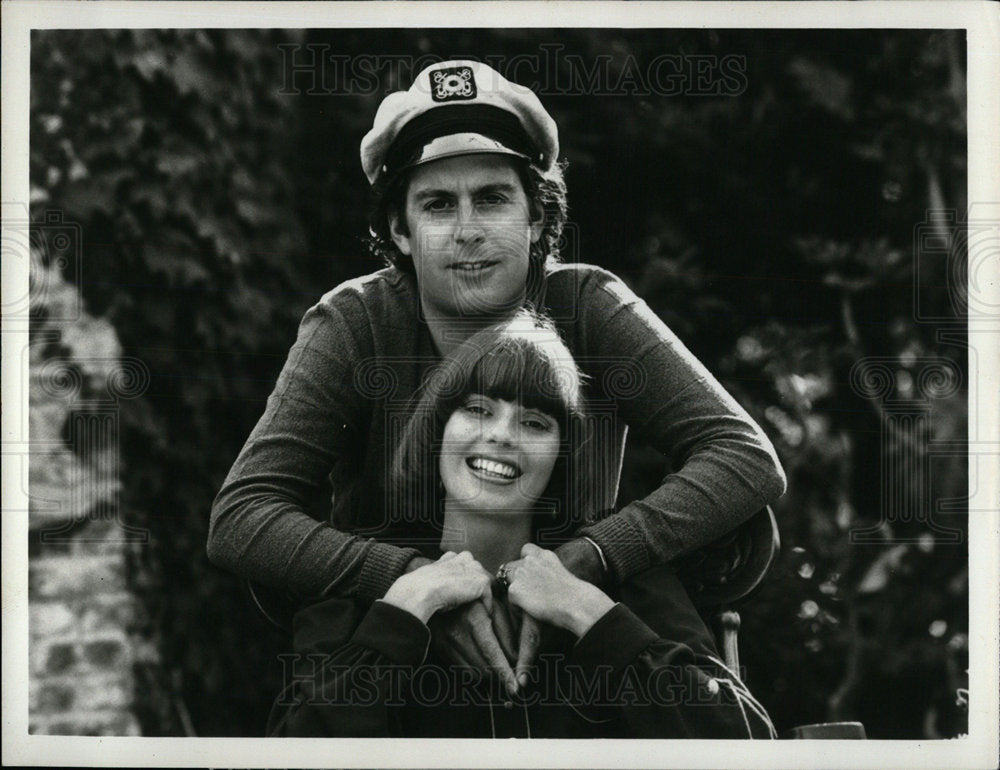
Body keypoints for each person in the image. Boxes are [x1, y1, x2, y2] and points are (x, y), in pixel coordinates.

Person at [208, 58, 786, 692]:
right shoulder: (355, 323)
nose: (468, 231)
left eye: (493, 199)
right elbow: (244, 514)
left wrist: (586, 560)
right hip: (394, 652)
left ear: (536, 219)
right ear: (400, 231)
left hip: (574, 635)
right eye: (436, 204)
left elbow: (743, 456)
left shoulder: (588, 305)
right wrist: (414, 581)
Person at [266, 312, 775, 738]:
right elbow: (289, 759)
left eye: (534, 423)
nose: (502, 436)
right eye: (477, 409)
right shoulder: (359, 594)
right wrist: (404, 610)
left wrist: (589, 611)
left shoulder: (630, 584)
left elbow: (745, 744)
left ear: (563, 455)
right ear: (437, 431)